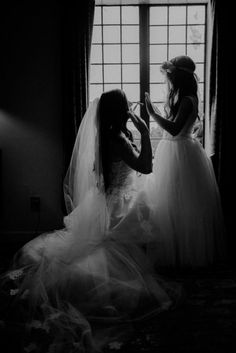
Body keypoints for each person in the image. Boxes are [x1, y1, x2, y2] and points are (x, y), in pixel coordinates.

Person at [0, 89, 180, 353]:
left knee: (107, 247)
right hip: (118, 203)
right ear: (119, 112)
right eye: (126, 104)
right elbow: (146, 167)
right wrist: (143, 131)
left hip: (106, 200)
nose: (131, 106)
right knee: (113, 252)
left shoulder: (105, 135)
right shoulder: (119, 138)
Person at [144, 55, 226, 268]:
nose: (168, 80)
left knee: (183, 205)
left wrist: (152, 113)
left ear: (178, 77)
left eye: (170, 76)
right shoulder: (182, 96)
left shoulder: (189, 99)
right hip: (173, 150)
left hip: (182, 154)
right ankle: (176, 250)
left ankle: (185, 255)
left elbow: (174, 128)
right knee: (170, 204)